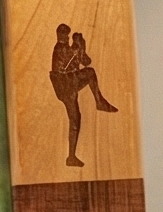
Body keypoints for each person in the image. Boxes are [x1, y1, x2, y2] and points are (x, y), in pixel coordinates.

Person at [49, 23, 119, 168]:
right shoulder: (59, 48)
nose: (65, 38)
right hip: (65, 85)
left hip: (70, 82)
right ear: (59, 35)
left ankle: (99, 102)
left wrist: (81, 48)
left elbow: (86, 62)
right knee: (75, 118)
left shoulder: (68, 48)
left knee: (90, 74)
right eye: (63, 35)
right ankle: (71, 157)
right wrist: (76, 47)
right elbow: (69, 64)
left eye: (66, 35)